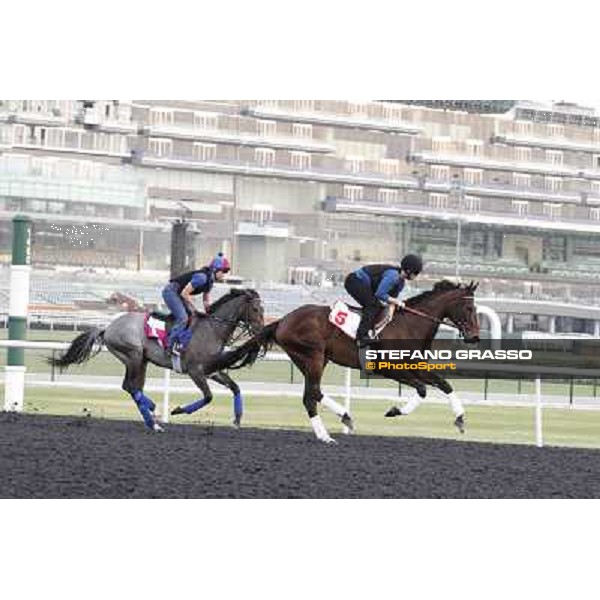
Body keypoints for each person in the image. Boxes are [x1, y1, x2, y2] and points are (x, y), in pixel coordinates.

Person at [344, 254, 423, 346]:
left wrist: (390, 314)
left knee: (379, 307)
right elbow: (380, 294)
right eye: (416, 273)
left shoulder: (401, 283)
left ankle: (370, 331)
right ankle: (361, 338)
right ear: (409, 270)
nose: (416, 276)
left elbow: (390, 301)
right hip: (355, 281)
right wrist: (397, 302)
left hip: (365, 286)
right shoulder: (393, 276)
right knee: (373, 305)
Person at [162, 252, 231, 354]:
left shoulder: (210, 281)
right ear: (215, 269)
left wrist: (208, 309)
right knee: (183, 318)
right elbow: (185, 293)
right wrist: (195, 308)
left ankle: (182, 343)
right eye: (223, 271)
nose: (224, 275)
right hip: (171, 292)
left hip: (178, 293)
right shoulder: (202, 277)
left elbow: (205, 297)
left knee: (194, 318)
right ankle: (169, 345)